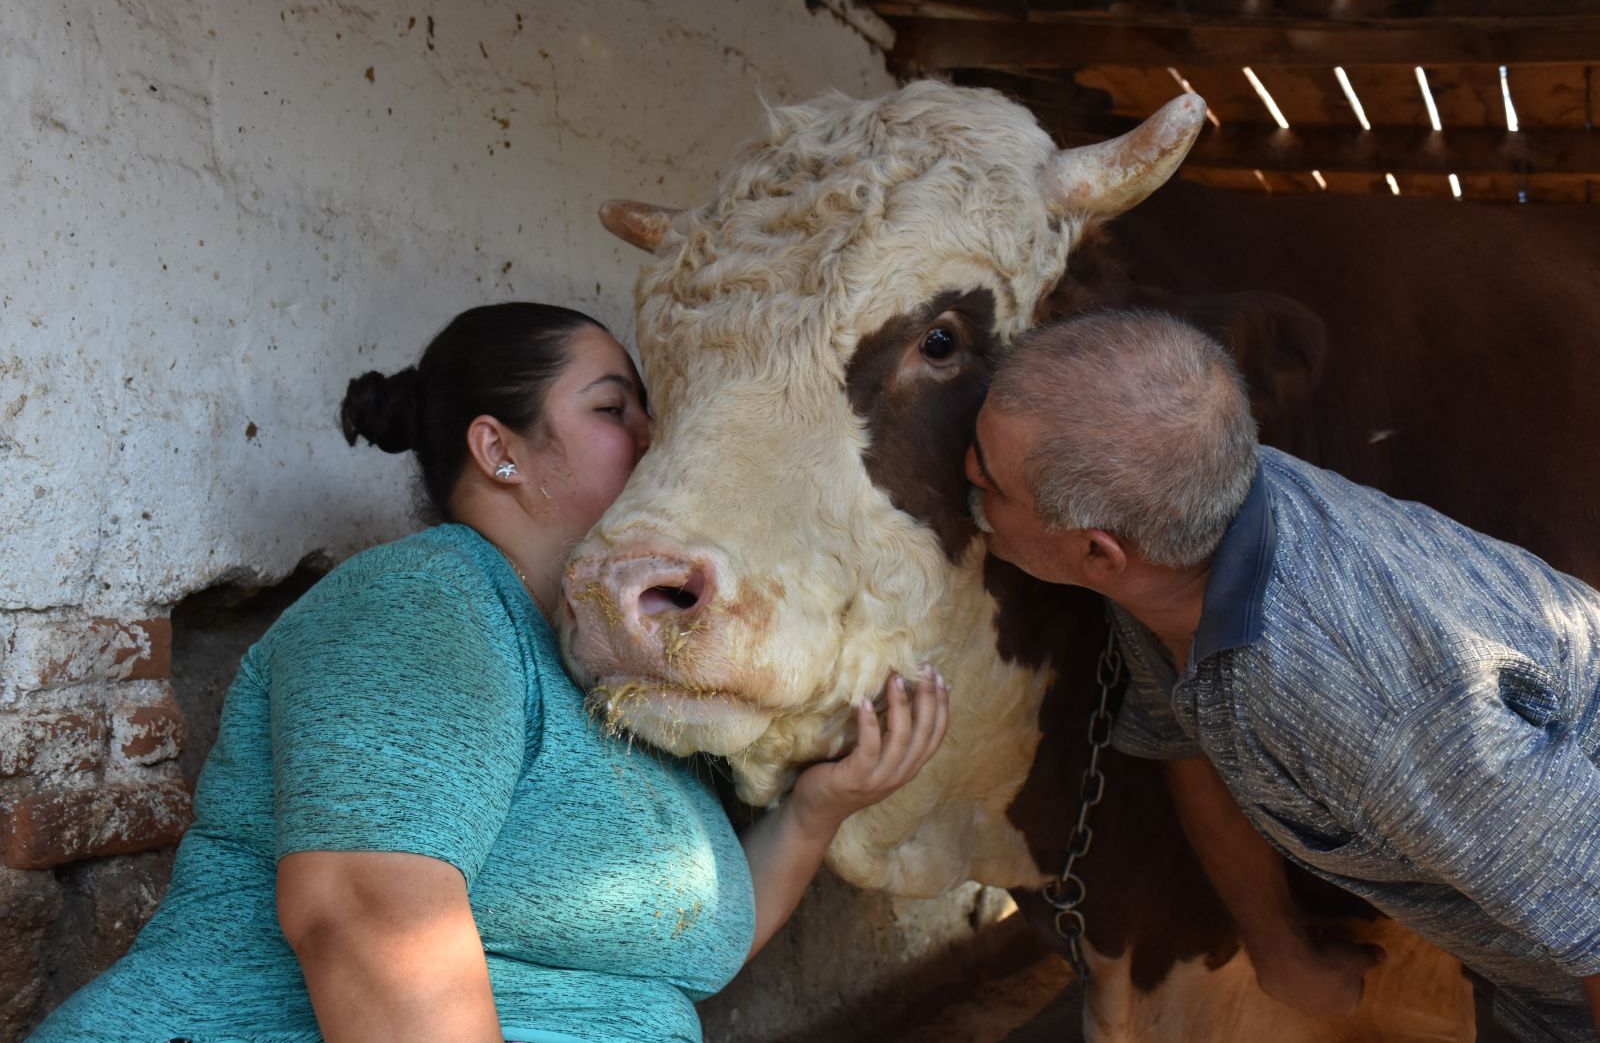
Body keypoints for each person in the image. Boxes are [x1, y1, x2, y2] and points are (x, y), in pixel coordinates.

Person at [31, 301, 948, 1043]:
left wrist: (819, 808)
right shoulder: (423, 601)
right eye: (612, 407)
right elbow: (364, 912)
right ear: (498, 449)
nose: (656, 434)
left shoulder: (605, 670)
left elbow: (683, 946)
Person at [963, 308, 1600, 1043]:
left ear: (1101, 554)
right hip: (1535, 964)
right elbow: (1187, 733)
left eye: (990, 484)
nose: (969, 488)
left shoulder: (1365, 705)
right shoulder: (1184, 530)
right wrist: (1277, 945)